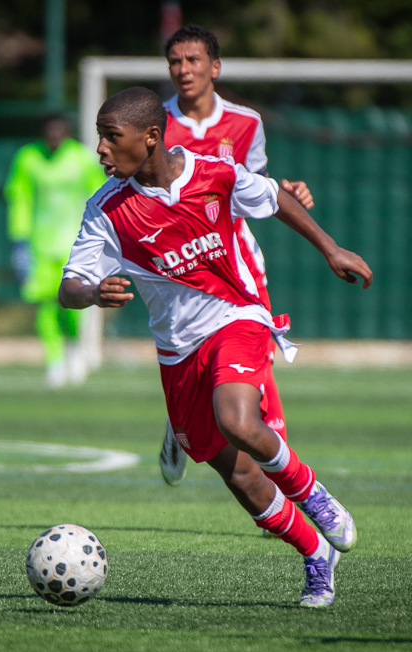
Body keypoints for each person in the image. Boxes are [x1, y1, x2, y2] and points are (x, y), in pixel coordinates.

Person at [59, 87, 371, 607]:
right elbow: (69, 286)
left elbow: (276, 199)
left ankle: (314, 494)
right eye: (100, 138)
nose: (101, 151)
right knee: (239, 474)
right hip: (178, 353)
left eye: (111, 138)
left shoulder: (215, 174)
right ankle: (316, 554)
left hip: (238, 317)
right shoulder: (107, 209)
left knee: (239, 421)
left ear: (151, 137)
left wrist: (331, 248)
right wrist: (92, 292)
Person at [156, 25, 314, 487]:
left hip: (237, 265)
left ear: (215, 67)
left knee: (256, 365)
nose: (184, 70)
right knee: (192, 363)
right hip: (180, 269)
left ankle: (286, 485)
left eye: (193, 60)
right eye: (176, 62)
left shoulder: (246, 123)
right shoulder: (156, 125)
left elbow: (258, 191)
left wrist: (289, 191)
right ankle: (182, 422)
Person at [4, 115, 107, 387]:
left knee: (75, 303)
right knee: (45, 304)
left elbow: (100, 196)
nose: (54, 136)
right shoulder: (28, 158)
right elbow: (20, 199)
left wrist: (100, 238)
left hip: (76, 245)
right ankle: (54, 359)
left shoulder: (82, 158)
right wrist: (20, 240)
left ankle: (76, 350)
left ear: (67, 131)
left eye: (58, 130)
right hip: (40, 246)